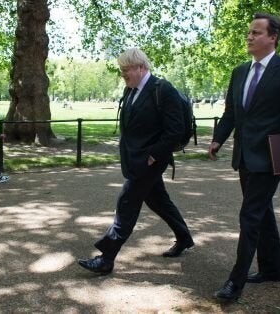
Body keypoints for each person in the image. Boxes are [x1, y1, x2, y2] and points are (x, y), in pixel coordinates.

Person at [208, 13, 280, 302]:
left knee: (250, 215)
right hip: (245, 154)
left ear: (273, 37)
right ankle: (272, 268)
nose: (250, 37)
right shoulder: (239, 71)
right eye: (249, 32)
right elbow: (232, 112)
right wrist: (219, 138)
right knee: (261, 211)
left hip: (274, 153)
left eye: (257, 32)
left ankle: (236, 281)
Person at [77, 48, 194, 275]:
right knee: (159, 201)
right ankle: (184, 237)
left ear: (140, 67)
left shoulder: (163, 89)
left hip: (149, 161)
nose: (123, 74)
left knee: (127, 204)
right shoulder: (131, 90)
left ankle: (106, 258)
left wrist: (153, 155)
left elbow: (175, 130)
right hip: (135, 159)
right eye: (121, 70)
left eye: (125, 69)